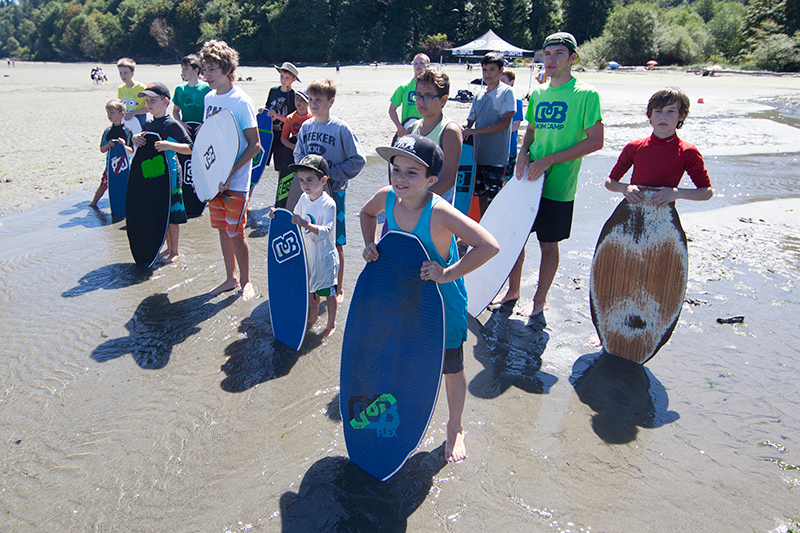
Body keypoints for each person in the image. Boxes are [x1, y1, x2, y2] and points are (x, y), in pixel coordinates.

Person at [360, 134, 499, 463]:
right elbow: (366, 213)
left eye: (412, 173)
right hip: (403, 300)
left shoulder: (440, 212)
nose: (400, 178)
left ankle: (455, 426)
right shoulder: (386, 198)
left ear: (431, 180)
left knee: (451, 366)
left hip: (442, 305)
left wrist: (448, 273)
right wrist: (370, 244)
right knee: (401, 357)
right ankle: (397, 409)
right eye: (396, 169)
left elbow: (489, 246)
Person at [493, 32, 604, 317]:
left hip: (559, 185)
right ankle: (513, 291)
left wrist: (549, 160)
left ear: (572, 58)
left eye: (558, 54)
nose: (550, 60)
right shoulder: (540, 93)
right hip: (528, 181)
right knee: (516, 238)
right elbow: (531, 130)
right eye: (547, 54)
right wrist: (522, 154)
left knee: (548, 243)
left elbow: (595, 141)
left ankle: (539, 300)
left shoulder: (586, 94)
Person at [200, 39, 262, 300]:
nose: (207, 75)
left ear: (227, 69)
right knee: (222, 230)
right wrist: (207, 175)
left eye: (212, 69)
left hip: (235, 181)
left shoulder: (241, 101)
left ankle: (246, 281)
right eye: (205, 69)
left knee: (236, 232)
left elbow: (255, 145)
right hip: (214, 181)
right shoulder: (208, 98)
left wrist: (229, 173)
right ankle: (230, 278)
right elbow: (209, 140)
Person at [294, 78, 365, 302]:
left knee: (336, 242)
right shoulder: (306, 127)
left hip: (335, 193)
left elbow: (358, 160)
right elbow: (298, 155)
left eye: (318, 100)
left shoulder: (341, 128)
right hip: (310, 195)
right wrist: (308, 176)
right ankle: (315, 286)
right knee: (311, 239)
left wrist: (330, 173)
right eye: (310, 99)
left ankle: (338, 288)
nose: (313, 104)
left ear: (330, 101)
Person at [270, 155, 339, 338]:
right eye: (301, 180)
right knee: (311, 290)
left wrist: (304, 223)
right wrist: (277, 214)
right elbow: (293, 218)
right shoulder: (303, 198)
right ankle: (313, 317)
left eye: (310, 180)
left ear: (323, 180)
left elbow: (326, 231)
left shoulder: (328, 204)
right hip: (307, 256)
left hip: (325, 258)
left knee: (328, 293)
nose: (304, 184)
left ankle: (331, 324)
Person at [606, 87, 713, 203]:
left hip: (665, 211)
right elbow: (610, 182)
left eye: (671, 111)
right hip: (632, 208)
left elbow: (707, 192)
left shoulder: (687, 151)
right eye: (658, 111)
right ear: (650, 115)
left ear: (681, 116)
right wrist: (625, 188)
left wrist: (676, 193)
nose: (663, 117)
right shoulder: (634, 147)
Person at [131, 82, 193, 264]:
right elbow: (143, 142)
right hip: (154, 176)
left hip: (171, 177)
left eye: (153, 100)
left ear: (165, 101)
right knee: (160, 212)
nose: (149, 104)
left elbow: (191, 148)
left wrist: (169, 145)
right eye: (147, 101)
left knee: (173, 216)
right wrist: (135, 138)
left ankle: (175, 251)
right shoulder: (149, 124)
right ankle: (167, 246)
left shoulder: (172, 124)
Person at [462, 52, 516, 215]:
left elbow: (505, 123)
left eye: (492, 70)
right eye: (485, 70)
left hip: (496, 157)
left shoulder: (507, 92)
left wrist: (476, 131)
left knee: (495, 199)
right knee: (481, 195)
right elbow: (470, 120)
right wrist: (462, 127)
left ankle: (497, 228)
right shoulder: (479, 95)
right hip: (478, 156)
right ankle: (483, 226)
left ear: (501, 70)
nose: (488, 74)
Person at [407, 68, 462, 203]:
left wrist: (419, 201)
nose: (421, 101)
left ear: (443, 100)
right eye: (418, 95)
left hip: (436, 204)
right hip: (412, 201)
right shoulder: (411, 129)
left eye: (428, 96)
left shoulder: (449, 131)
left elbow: (448, 180)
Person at [90, 99, 133, 208]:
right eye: (108, 113)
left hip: (125, 164)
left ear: (122, 114)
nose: (109, 115)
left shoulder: (127, 131)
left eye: (112, 113)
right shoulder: (107, 131)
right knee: (104, 184)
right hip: (110, 165)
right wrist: (108, 145)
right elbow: (102, 149)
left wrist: (123, 145)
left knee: (126, 185)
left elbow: (131, 150)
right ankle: (93, 204)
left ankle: (129, 205)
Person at [261, 62, 300, 173]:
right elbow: (267, 107)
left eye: (287, 78)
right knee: (260, 163)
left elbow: (291, 120)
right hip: (268, 133)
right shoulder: (273, 91)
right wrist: (263, 110)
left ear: (293, 79)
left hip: (282, 136)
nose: (283, 80)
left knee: (280, 168)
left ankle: (279, 185)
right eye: (282, 76)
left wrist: (277, 116)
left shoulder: (293, 96)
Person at [388, 53, 430, 138]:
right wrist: (399, 127)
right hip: (407, 129)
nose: (418, 65)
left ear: (428, 66)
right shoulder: (403, 87)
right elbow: (392, 109)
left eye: (421, 63)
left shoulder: (431, 88)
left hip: (427, 129)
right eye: (415, 63)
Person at [172, 54, 211, 137]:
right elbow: (175, 110)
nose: (183, 71)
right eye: (182, 68)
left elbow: (212, 111)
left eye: (186, 68)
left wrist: (205, 124)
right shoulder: (180, 89)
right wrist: (180, 123)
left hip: (203, 129)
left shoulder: (207, 88)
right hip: (186, 129)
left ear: (196, 70)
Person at [500, 67, 524, 182]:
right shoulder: (496, 99)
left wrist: (498, 131)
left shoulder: (517, 101)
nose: (501, 84)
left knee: (506, 178)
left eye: (503, 81)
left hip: (509, 147)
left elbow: (516, 125)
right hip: (495, 147)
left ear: (511, 82)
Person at [117, 58, 147, 127]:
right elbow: (119, 108)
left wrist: (133, 113)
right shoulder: (121, 89)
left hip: (139, 122)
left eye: (125, 72)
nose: (123, 75)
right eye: (120, 73)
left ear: (132, 73)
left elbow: (149, 108)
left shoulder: (141, 88)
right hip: (125, 122)